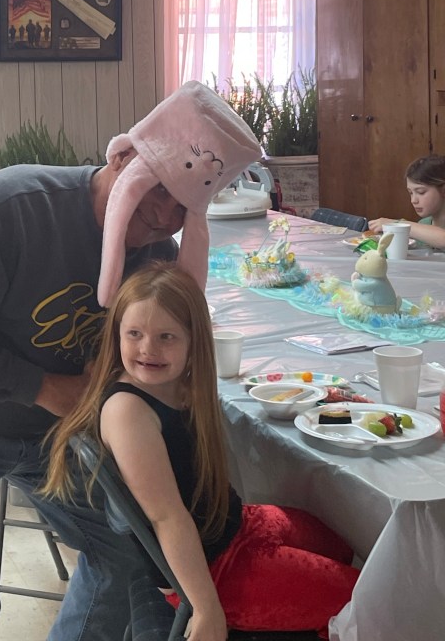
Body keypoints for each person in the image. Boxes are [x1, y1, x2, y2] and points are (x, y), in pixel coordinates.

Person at [0, 81, 262, 641]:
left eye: (183, 206)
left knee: (125, 557)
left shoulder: (156, 253)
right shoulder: (5, 208)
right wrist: (47, 388)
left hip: (48, 424)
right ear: (123, 158)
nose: (164, 215)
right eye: (157, 190)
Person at [44, 263, 359, 641]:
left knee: (343, 545)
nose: (148, 348)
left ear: (194, 342)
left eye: (166, 337)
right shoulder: (128, 411)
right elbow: (167, 517)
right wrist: (206, 607)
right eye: (134, 334)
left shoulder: (179, 385)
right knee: (364, 601)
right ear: (117, 335)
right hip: (210, 571)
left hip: (234, 526)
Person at [369, 154, 445, 249]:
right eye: (411, 193)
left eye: (421, 192)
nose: (413, 200)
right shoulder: (423, 224)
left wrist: (398, 225)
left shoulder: (415, 228)